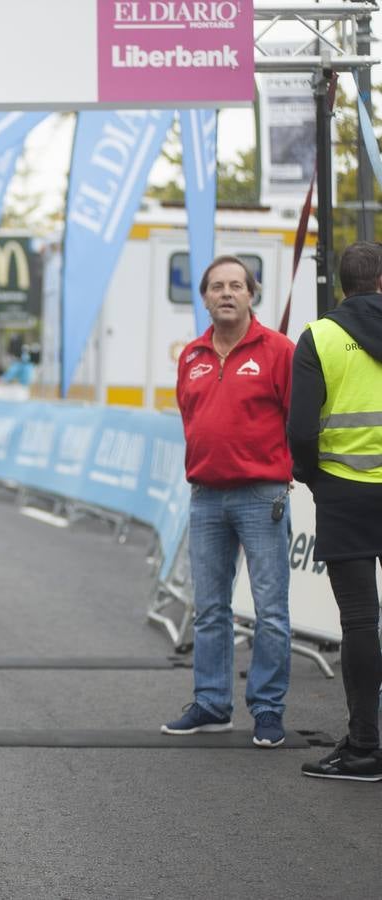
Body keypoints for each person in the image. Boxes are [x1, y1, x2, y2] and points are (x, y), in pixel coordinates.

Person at [163, 255, 295, 748]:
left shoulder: (279, 350)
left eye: (236, 286)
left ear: (251, 294)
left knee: (271, 610)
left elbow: (296, 418)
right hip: (206, 498)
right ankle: (213, 704)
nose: (226, 293)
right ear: (204, 297)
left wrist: (285, 473)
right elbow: (190, 416)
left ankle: (266, 710)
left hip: (262, 497)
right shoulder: (192, 356)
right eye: (217, 286)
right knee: (210, 609)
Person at [288, 241, 382, 781]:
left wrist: (312, 476)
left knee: (361, 623)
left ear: (342, 284)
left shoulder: (320, 337)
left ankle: (365, 747)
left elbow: (301, 428)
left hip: (345, 495)